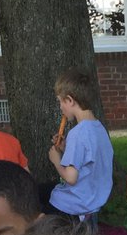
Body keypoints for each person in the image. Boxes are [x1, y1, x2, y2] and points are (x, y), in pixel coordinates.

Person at [45, 67, 113, 224]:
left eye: (60, 102)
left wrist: (56, 160)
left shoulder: (77, 133)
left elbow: (71, 177)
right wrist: (66, 149)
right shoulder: (98, 127)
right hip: (93, 200)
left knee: (39, 204)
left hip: (75, 205)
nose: (61, 108)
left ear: (70, 100)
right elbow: (89, 158)